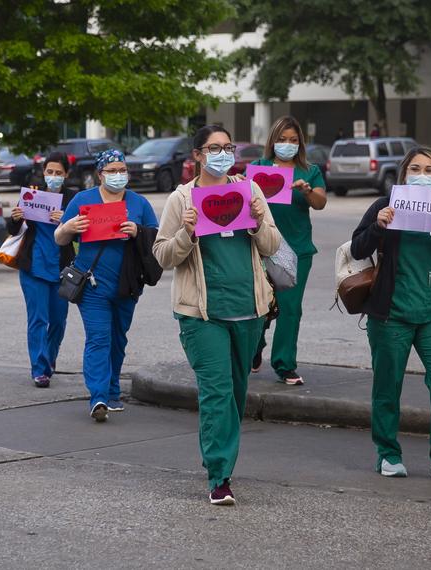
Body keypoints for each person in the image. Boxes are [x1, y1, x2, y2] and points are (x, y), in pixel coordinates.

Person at [153, 125, 281, 505]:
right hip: (201, 315)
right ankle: (219, 475)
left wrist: (259, 220)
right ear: (197, 156)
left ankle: (224, 461)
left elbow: (272, 245)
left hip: (248, 310)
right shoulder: (182, 199)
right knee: (217, 393)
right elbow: (162, 255)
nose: (223, 153)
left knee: (236, 395)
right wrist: (187, 234)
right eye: (214, 148)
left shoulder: (249, 190)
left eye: (228, 146)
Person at [351, 146, 431, 483]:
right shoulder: (384, 206)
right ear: (404, 173)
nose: (423, 174)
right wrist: (378, 226)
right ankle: (388, 454)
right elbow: (358, 247)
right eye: (416, 168)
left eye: (430, 169)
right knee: (387, 386)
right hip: (391, 314)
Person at [55, 149, 158, 422]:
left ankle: (112, 391)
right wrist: (69, 227)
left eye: (121, 169)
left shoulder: (139, 203)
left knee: (118, 339)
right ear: (100, 175)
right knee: (99, 338)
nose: (117, 175)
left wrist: (138, 232)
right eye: (111, 170)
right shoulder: (82, 200)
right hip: (92, 284)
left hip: (127, 284)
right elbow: (59, 238)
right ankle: (98, 396)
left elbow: (158, 238)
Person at [250, 115, 326, 385]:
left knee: (290, 308)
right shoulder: (258, 168)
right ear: (273, 141)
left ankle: (284, 364)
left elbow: (320, 202)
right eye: (282, 139)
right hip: (260, 247)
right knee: (258, 304)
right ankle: (254, 347)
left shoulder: (309, 170)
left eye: (293, 140)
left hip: (297, 249)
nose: (287, 144)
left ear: (300, 143)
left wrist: (307, 191)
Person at [7, 151, 76, 388]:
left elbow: (83, 233)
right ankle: (39, 369)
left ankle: (49, 357)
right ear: (43, 172)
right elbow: (13, 229)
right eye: (50, 172)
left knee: (58, 320)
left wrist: (66, 220)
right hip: (34, 266)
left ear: (66, 174)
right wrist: (16, 217)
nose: (53, 176)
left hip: (61, 268)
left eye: (58, 173)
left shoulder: (73, 199)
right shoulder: (33, 193)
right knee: (38, 319)